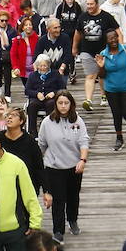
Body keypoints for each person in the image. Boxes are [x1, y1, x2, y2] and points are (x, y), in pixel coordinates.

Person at [38, 91, 89, 240]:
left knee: (73, 196)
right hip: (54, 166)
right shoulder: (47, 122)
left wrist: (82, 160)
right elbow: (41, 144)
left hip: (74, 166)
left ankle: (72, 219)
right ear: (55, 105)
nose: (63, 106)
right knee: (58, 199)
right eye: (60, 103)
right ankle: (58, 230)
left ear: (71, 104)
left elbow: (84, 141)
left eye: (66, 103)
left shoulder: (78, 121)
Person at [74, 0, 120, 112]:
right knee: (90, 75)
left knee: (102, 74)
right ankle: (88, 100)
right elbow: (78, 33)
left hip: (103, 50)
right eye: (87, 4)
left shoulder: (106, 16)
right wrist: (74, 47)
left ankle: (104, 95)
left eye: (91, 4)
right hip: (86, 50)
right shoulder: (83, 17)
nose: (89, 6)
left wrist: (120, 46)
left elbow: (117, 31)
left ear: (97, 4)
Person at [96, 28, 126, 151]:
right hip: (111, 89)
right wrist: (101, 67)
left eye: (115, 37)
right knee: (116, 114)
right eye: (111, 38)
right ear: (106, 41)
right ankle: (119, 137)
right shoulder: (103, 54)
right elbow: (102, 75)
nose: (114, 40)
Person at [2, 108, 46, 197]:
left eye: (13, 115)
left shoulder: (30, 141)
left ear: (21, 121)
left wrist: (46, 191)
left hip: (27, 186)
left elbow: (39, 166)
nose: (9, 117)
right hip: (4, 186)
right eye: (7, 115)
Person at [26, 56, 67, 137]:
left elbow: (63, 89)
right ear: (37, 66)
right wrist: (36, 94)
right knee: (32, 105)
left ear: (48, 65)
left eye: (44, 65)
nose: (42, 68)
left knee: (51, 104)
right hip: (37, 98)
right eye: (40, 66)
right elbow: (27, 90)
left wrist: (54, 93)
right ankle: (33, 132)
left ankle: (50, 130)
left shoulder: (55, 74)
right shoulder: (33, 75)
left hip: (51, 99)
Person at [10, 24, 40, 97]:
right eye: (26, 25)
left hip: (35, 69)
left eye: (30, 25)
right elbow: (13, 54)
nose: (28, 26)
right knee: (28, 88)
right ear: (22, 28)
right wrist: (15, 67)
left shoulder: (37, 38)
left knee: (35, 88)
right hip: (23, 69)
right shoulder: (18, 39)